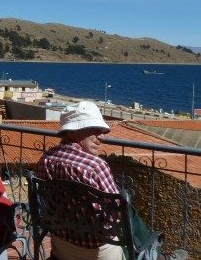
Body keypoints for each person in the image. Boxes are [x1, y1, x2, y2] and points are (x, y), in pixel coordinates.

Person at [36, 101, 187, 260]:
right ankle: (153, 254)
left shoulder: (45, 159)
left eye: (102, 131)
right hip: (97, 252)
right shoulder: (95, 166)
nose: (101, 137)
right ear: (72, 131)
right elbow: (118, 214)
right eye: (95, 130)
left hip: (61, 245)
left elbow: (43, 203)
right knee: (127, 209)